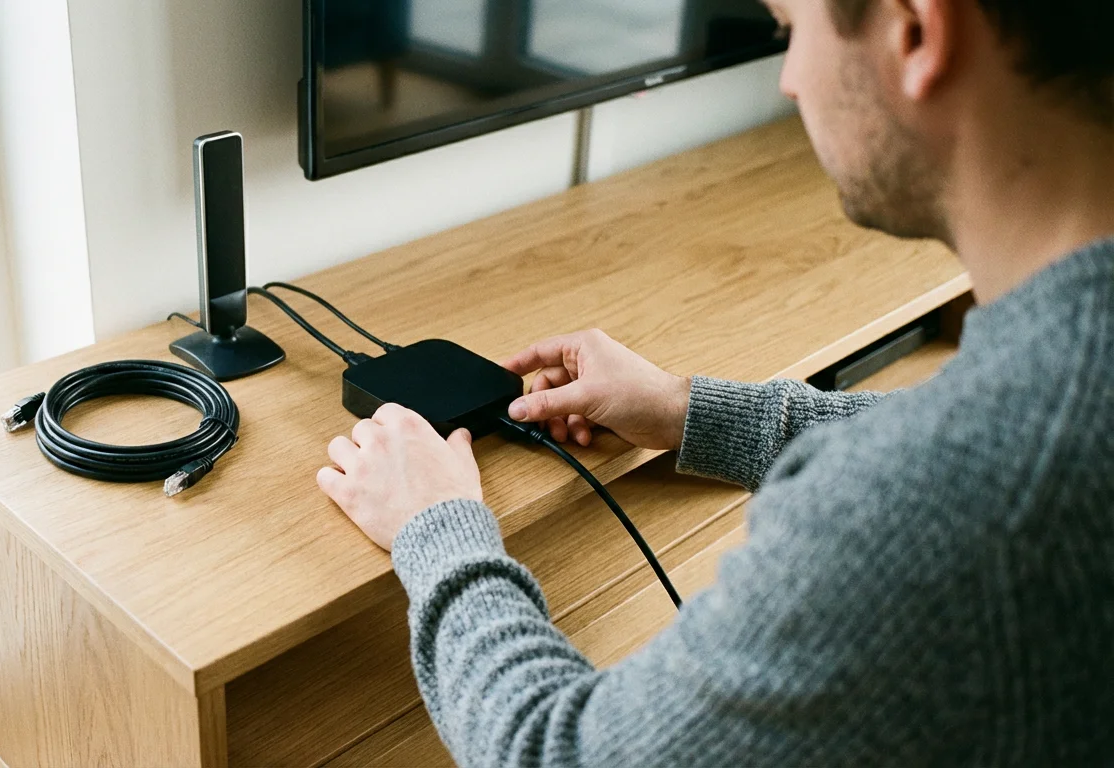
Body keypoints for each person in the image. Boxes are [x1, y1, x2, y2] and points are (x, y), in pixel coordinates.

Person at [314, 0, 1114, 763]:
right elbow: (968, 429)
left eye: (790, 28)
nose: (789, 78)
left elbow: (559, 753)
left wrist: (438, 527)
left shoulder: (926, 510)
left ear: (915, 32)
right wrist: (685, 409)